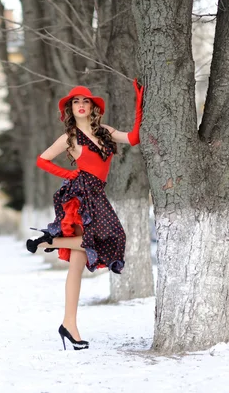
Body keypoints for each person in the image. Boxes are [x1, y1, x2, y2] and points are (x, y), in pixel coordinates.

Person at [26, 80, 144, 350]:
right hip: (80, 195)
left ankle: (69, 325)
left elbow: (134, 138)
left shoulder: (104, 132)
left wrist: (139, 103)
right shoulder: (69, 137)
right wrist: (70, 175)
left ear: (92, 107)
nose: (80, 105)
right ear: (71, 108)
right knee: (108, 238)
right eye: (75, 102)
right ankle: (48, 241)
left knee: (77, 264)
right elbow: (41, 159)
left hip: (97, 194)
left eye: (85, 101)